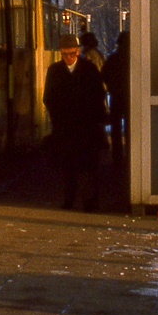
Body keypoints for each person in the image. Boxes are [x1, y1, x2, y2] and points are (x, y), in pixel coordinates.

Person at [43, 34, 108, 211]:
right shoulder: (54, 71)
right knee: (68, 167)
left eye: (71, 53)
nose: (68, 58)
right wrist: (58, 117)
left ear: (78, 51)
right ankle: (69, 200)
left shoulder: (89, 69)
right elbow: (48, 97)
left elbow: (98, 95)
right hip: (65, 127)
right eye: (65, 54)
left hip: (86, 126)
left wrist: (94, 118)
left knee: (88, 168)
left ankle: (90, 202)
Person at [102, 31, 130, 172]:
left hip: (116, 97)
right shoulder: (134, 59)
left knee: (116, 129)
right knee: (132, 128)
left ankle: (117, 158)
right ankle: (131, 156)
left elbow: (104, 75)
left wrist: (113, 87)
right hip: (130, 97)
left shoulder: (113, 58)